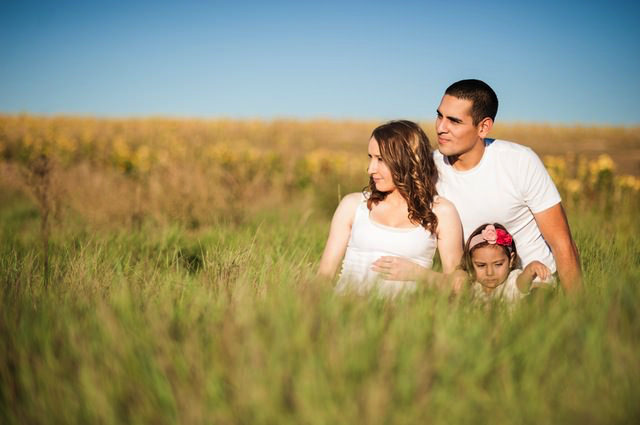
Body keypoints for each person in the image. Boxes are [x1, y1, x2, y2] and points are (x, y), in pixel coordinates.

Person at [432, 79, 582, 292]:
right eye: (440, 116)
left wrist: (578, 313)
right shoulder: (429, 168)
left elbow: (562, 243)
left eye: (454, 121)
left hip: (534, 288)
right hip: (475, 291)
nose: (441, 127)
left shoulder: (520, 161)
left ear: (483, 127)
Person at [317, 120, 463, 297]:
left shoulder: (441, 211)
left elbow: (460, 285)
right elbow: (323, 277)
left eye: (381, 159)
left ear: (407, 160)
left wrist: (419, 274)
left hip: (406, 319)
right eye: (370, 158)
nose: (371, 169)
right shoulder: (353, 205)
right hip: (347, 313)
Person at [460, 223, 551, 305]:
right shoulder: (473, 286)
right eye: (481, 265)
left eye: (498, 264)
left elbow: (522, 283)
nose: (490, 273)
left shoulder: (511, 282)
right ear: (471, 262)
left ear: (511, 260)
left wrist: (530, 269)